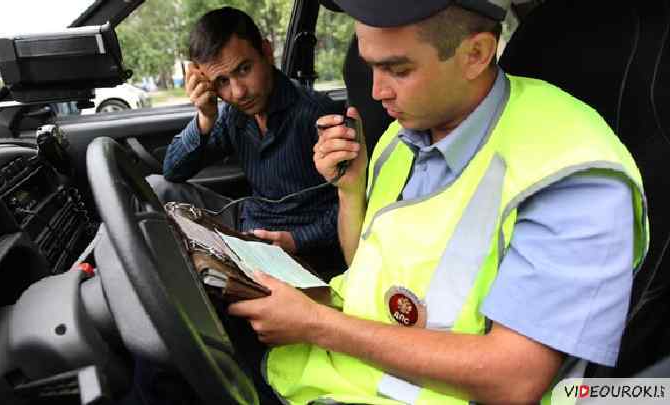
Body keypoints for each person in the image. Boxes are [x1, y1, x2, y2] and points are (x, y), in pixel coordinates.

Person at [228, 0, 649, 404]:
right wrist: (350, 191)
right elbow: (370, 270)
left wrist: (316, 325)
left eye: (398, 70)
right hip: (323, 375)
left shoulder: (571, 172)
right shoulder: (403, 136)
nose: (377, 92)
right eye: (370, 65)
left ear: (476, 55)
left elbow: (515, 378)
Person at [148, 6, 345, 277]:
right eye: (221, 81)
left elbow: (353, 203)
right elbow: (173, 171)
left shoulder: (318, 114)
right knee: (158, 187)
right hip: (247, 229)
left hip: (300, 250)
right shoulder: (234, 116)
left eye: (244, 69)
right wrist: (205, 118)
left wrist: (297, 239)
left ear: (266, 52)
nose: (238, 92)